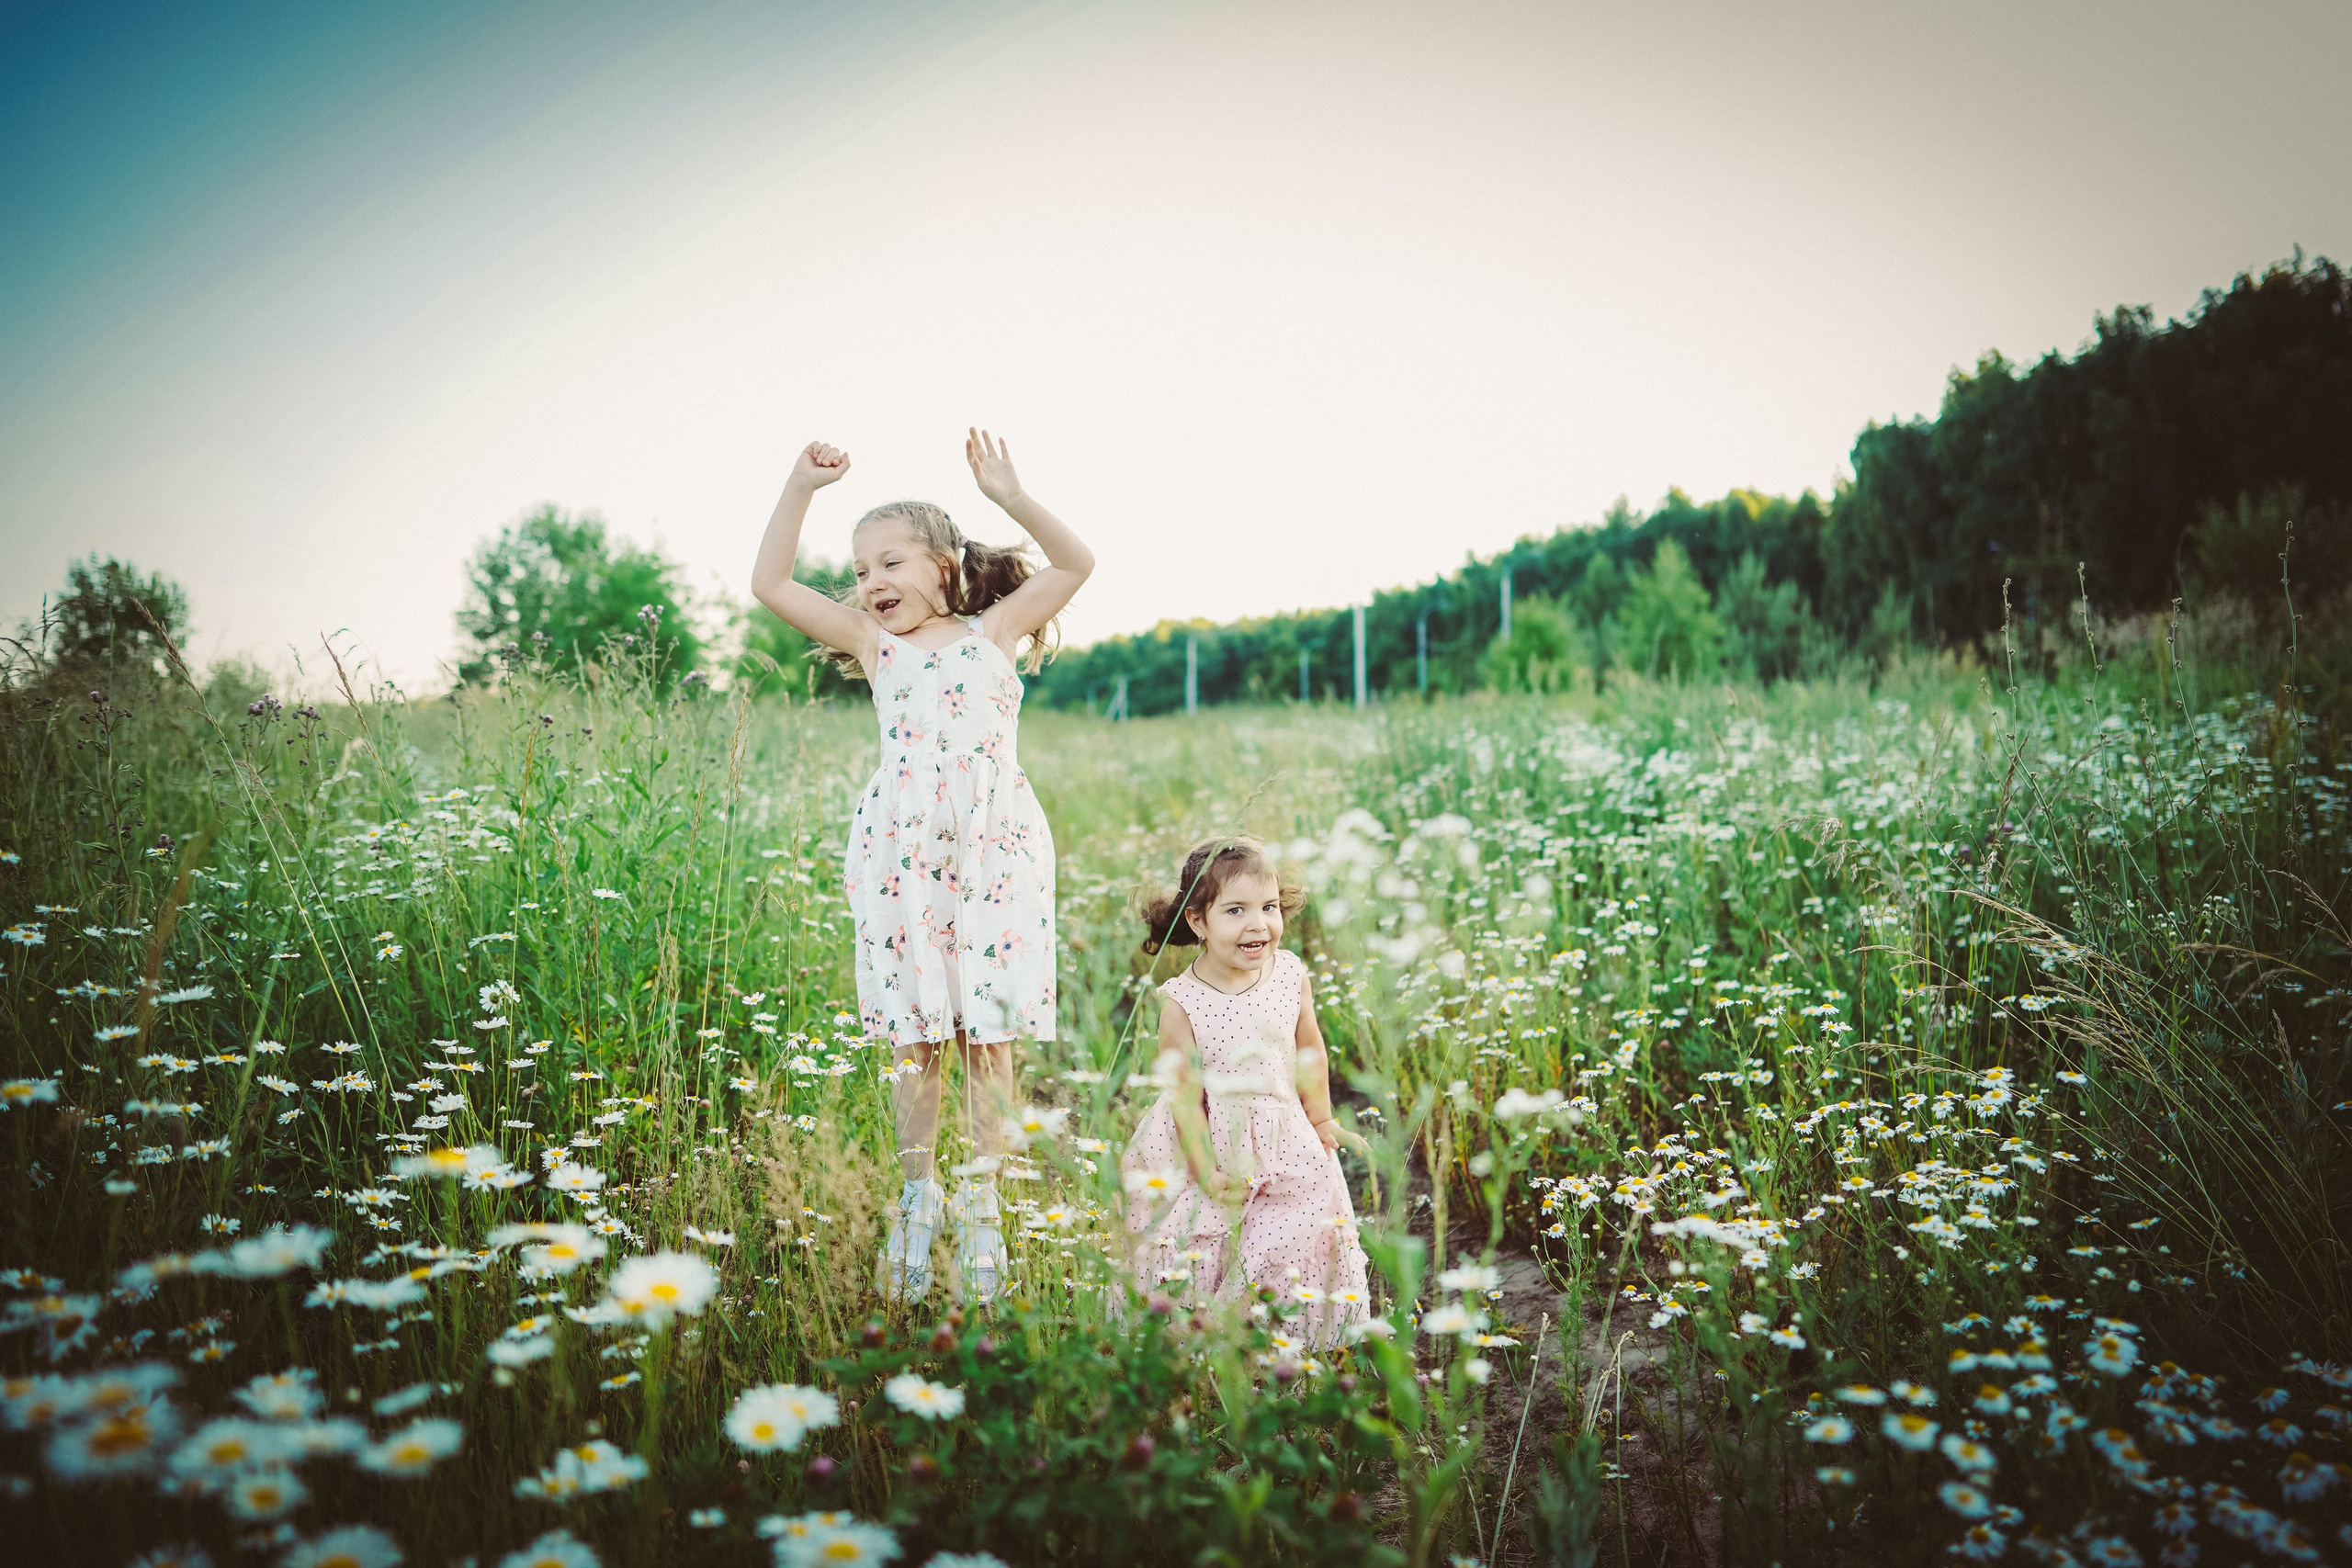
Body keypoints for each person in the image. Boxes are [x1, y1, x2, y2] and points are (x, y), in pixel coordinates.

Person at [751, 430, 1093, 1303]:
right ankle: (919, 1197)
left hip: (995, 855)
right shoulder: (874, 644)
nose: (870, 582)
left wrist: (1011, 495)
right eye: (861, 568)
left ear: (944, 565)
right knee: (917, 1035)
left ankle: (979, 1201)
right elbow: (771, 585)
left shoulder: (996, 629)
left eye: (889, 561)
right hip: (904, 861)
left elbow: (1076, 561)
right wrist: (799, 487)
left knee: (990, 1037)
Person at [1122, 837, 1369, 1347]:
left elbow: (1310, 1050)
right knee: (1211, 1243)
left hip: (1285, 1138)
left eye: (1269, 907)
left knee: (1292, 1233)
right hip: (1210, 1141)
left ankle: (1285, 1344)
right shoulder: (1182, 1003)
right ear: (1197, 921)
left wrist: (1321, 1120)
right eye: (1236, 910)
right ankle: (1212, 1344)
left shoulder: (1289, 975)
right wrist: (1204, 1169)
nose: (1259, 924)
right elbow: (1183, 1096)